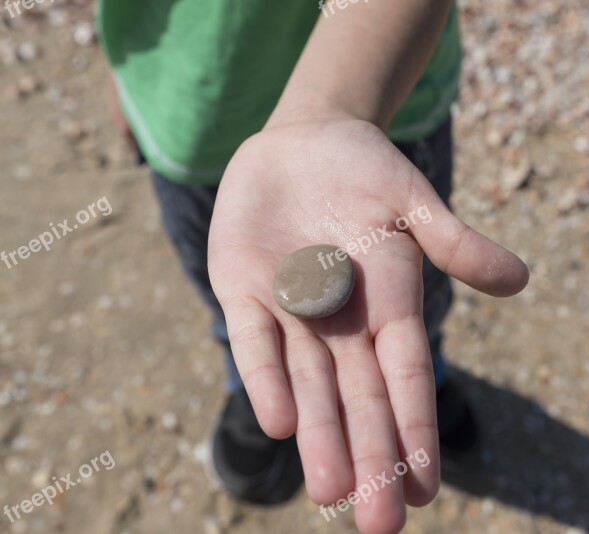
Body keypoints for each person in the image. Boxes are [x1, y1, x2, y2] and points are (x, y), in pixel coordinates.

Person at [99, 1, 529, 532]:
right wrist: (121, 69)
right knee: (232, 293)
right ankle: (249, 385)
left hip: (384, 106)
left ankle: (429, 374)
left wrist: (331, 107)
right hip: (181, 119)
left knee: (413, 295)